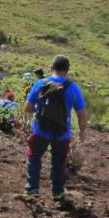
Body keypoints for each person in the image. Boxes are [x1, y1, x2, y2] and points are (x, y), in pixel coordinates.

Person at [24, 55, 87, 201]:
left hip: (40, 129)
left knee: (34, 156)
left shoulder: (40, 83)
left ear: (51, 68)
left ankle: (32, 190)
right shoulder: (72, 87)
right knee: (59, 161)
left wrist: (41, 111)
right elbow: (81, 113)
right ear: (67, 70)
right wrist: (82, 131)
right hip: (62, 132)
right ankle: (57, 193)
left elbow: (28, 107)